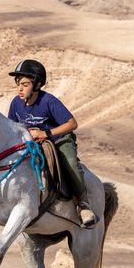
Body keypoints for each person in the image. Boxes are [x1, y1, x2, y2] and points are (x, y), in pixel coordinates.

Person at [8, 59, 99, 228]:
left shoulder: (48, 101)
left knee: (70, 163)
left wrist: (46, 133)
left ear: (37, 84)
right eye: (18, 84)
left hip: (58, 140)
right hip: (30, 143)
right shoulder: (16, 103)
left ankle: (83, 204)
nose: (20, 89)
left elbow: (72, 123)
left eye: (25, 84)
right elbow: (11, 127)